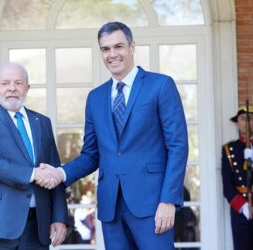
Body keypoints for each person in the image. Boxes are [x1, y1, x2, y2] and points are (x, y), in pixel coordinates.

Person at [37, 21, 189, 250]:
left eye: (118, 46)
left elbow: (178, 146)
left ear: (132, 47)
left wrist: (168, 200)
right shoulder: (95, 98)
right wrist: (60, 173)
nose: (112, 54)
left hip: (152, 204)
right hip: (111, 208)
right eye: (105, 49)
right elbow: (91, 155)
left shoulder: (160, 85)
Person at [0, 62, 68, 250]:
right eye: (5, 83)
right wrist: (34, 174)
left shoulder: (42, 122)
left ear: (27, 88)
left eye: (18, 83)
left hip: (37, 227)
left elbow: (55, 170)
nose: (12, 88)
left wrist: (59, 218)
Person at [221, 106, 253, 250]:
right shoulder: (229, 149)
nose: (247, 122)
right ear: (237, 123)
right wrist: (244, 207)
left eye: (250, 118)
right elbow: (228, 186)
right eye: (243, 118)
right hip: (241, 212)